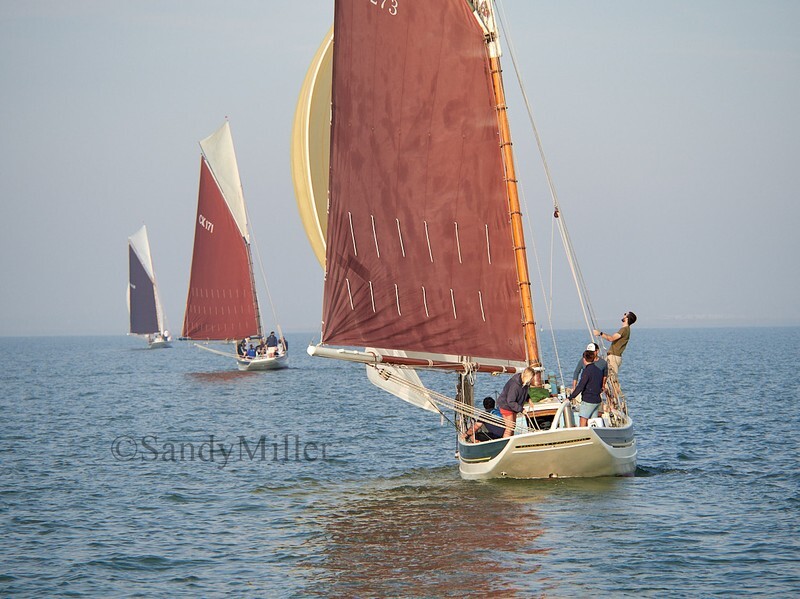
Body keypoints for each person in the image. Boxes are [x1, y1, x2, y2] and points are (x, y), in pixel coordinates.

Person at [593, 311, 636, 378]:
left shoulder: (624, 330)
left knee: (612, 379)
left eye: (625, 315)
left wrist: (600, 333)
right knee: (605, 377)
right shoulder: (625, 330)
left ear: (627, 319)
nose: (623, 315)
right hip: (613, 357)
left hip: (614, 357)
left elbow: (611, 338)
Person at [568, 350, 605, 426]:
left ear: (584, 359)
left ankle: (582, 436)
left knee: (583, 420)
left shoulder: (587, 371)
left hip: (588, 400)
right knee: (593, 422)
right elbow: (601, 385)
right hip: (597, 400)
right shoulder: (599, 371)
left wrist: (570, 397)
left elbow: (581, 386)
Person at [496, 367, 535, 438]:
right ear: (528, 377)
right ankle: (505, 444)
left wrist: (529, 400)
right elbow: (510, 401)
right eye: (532, 378)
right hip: (506, 406)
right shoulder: (515, 385)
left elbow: (523, 393)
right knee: (510, 427)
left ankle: (511, 441)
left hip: (513, 406)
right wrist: (521, 409)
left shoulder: (525, 383)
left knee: (513, 427)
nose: (532, 380)